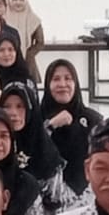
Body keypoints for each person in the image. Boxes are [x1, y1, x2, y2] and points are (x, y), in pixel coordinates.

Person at [39, 60, 103, 194]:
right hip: (44, 195)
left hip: (83, 196)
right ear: (48, 85)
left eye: (68, 78)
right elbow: (32, 153)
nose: (62, 84)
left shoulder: (93, 119)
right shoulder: (36, 117)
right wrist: (50, 126)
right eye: (56, 79)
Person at [3, 0, 46, 80]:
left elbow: (40, 42)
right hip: (6, 61)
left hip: (27, 63)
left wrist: (29, 53)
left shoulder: (34, 19)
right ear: (9, 0)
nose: (18, 2)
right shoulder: (2, 18)